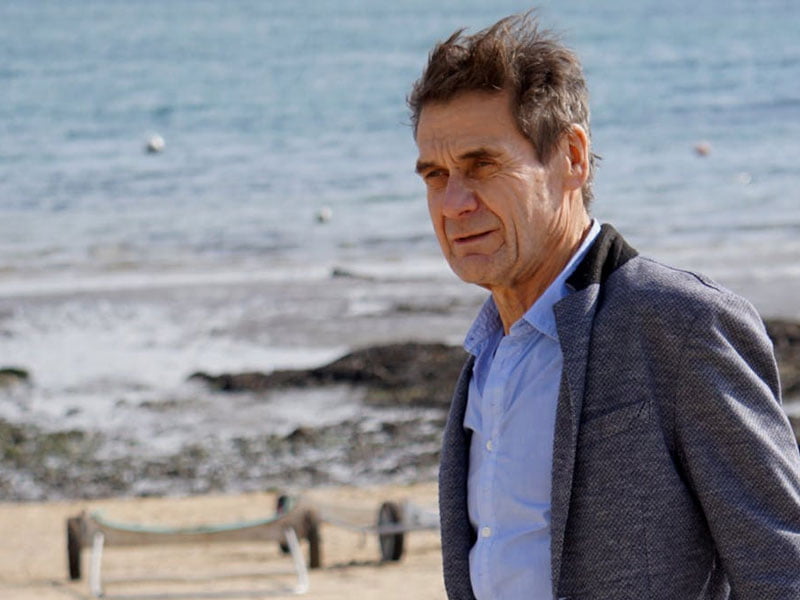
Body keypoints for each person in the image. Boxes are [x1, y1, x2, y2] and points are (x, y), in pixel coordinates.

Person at [408, 13, 800, 600]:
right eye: (435, 176)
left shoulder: (682, 325)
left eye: (481, 165)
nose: (454, 203)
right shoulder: (483, 360)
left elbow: (783, 568)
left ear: (571, 156)